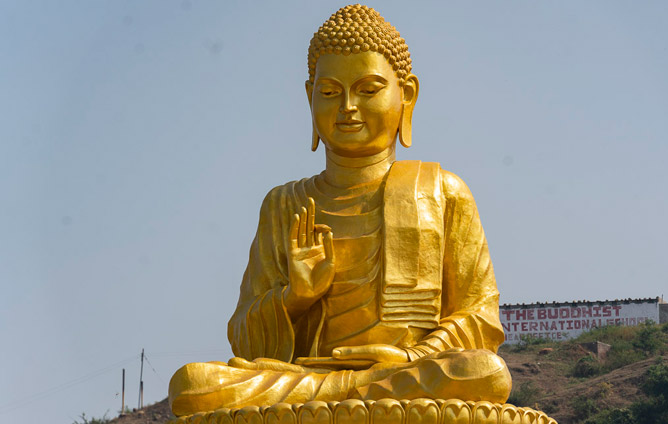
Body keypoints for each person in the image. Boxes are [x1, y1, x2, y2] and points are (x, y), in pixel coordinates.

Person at [168, 5, 511, 417]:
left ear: (407, 95)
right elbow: (244, 339)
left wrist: (409, 358)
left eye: (368, 90)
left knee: (483, 372)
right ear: (308, 95)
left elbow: (480, 320)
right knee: (194, 384)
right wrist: (295, 298)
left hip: (403, 372)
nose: (348, 107)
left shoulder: (441, 191)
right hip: (307, 379)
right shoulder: (283, 204)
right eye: (330, 92)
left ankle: (363, 393)